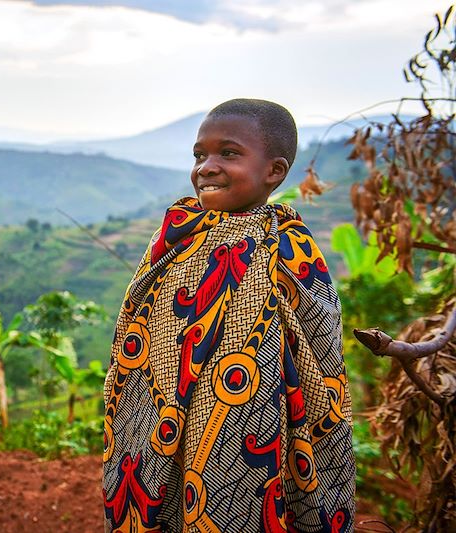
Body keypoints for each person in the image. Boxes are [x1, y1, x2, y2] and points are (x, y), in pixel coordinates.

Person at [102, 99, 356, 533]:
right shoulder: (176, 234)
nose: (207, 167)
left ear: (274, 171)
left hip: (256, 429)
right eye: (200, 155)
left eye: (229, 153)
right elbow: (137, 329)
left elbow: (320, 352)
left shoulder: (292, 248)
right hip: (159, 417)